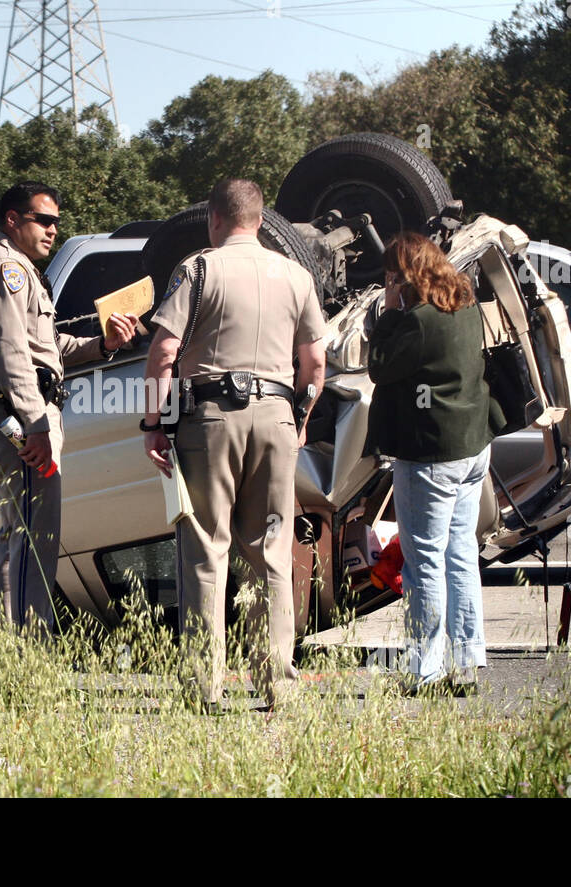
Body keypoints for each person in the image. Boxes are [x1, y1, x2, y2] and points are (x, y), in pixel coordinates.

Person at [141, 178, 328, 711]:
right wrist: (302, 415)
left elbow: (164, 352)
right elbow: (315, 362)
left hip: (212, 419)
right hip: (277, 417)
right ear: (262, 222)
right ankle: (276, 684)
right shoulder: (295, 275)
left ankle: (204, 687)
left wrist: (153, 421)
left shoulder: (199, 269)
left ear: (214, 220)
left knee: (206, 550)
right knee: (270, 551)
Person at [0, 181, 137, 630]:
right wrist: (35, 424)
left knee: (18, 531)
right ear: (12, 220)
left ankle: (11, 649)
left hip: (17, 417)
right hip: (20, 420)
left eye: (57, 221)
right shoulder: (6, 271)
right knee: (34, 535)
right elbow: (10, 352)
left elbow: (46, 346)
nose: (54, 229)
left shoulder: (14, 269)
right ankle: (27, 646)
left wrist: (104, 344)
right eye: (44, 219)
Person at [363, 230, 497, 694]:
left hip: (432, 455)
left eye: (390, 275)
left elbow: (378, 365)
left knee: (424, 562)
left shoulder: (416, 320)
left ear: (406, 276)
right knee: (460, 555)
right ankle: (467, 661)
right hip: (474, 447)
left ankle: (424, 670)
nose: (387, 281)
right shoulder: (465, 308)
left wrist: (386, 311)